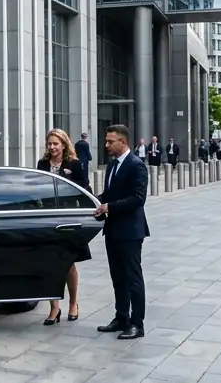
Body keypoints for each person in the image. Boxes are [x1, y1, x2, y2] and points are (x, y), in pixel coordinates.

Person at [95, 124, 149, 340]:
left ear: (123, 142)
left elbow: (138, 198)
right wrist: (95, 202)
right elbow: (109, 194)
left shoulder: (136, 165)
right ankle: (121, 317)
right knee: (117, 277)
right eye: (106, 141)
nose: (106, 145)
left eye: (110, 141)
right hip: (113, 230)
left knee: (132, 278)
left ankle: (137, 323)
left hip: (130, 232)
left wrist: (110, 207)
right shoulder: (112, 166)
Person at [38, 129, 91, 325]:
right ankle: (54, 307)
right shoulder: (42, 164)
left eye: (55, 144)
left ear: (64, 144)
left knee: (68, 264)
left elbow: (84, 187)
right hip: (47, 218)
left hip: (68, 218)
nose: (52, 147)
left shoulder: (74, 164)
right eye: (49, 144)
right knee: (50, 262)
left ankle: (73, 303)